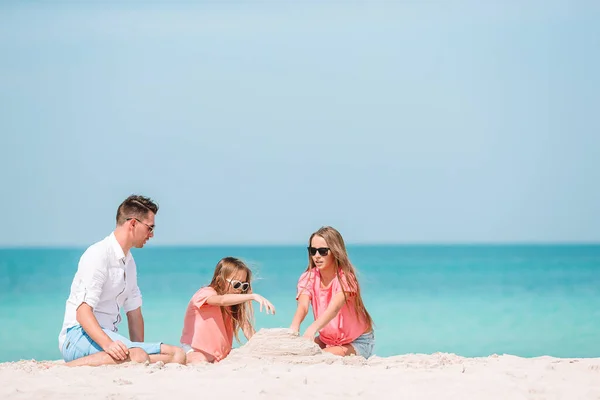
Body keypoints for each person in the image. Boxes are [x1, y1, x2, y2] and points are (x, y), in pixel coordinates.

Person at [58, 195, 186, 366]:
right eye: (150, 228)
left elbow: (134, 313)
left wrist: (140, 349)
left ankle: (131, 357)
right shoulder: (98, 254)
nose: (152, 234)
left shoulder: (129, 262)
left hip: (108, 337)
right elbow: (82, 312)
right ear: (133, 223)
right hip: (78, 336)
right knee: (139, 356)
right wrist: (108, 344)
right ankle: (69, 367)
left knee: (177, 355)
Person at [290, 226, 375, 358]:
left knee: (320, 357)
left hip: (357, 341)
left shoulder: (345, 278)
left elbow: (333, 309)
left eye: (323, 251)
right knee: (297, 352)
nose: (317, 256)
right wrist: (294, 328)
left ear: (335, 251)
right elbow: (303, 306)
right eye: (313, 251)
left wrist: (312, 329)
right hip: (327, 340)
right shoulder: (308, 278)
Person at [180, 257, 276, 363]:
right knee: (202, 359)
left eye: (244, 286)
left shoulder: (232, 304)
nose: (240, 289)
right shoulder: (205, 293)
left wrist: (261, 346)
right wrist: (253, 296)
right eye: (236, 284)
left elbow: (247, 328)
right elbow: (221, 300)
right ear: (219, 281)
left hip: (218, 354)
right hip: (195, 349)